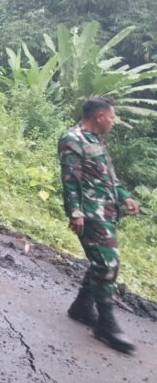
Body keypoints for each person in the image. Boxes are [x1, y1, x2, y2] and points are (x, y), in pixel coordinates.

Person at [59, 97, 140, 354]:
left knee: (100, 261)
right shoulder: (72, 139)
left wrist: (124, 196)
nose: (113, 121)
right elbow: (70, 178)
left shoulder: (96, 141)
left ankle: (82, 307)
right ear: (99, 116)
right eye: (111, 117)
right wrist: (76, 212)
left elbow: (110, 178)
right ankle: (106, 324)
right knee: (108, 263)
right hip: (89, 212)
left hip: (106, 211)